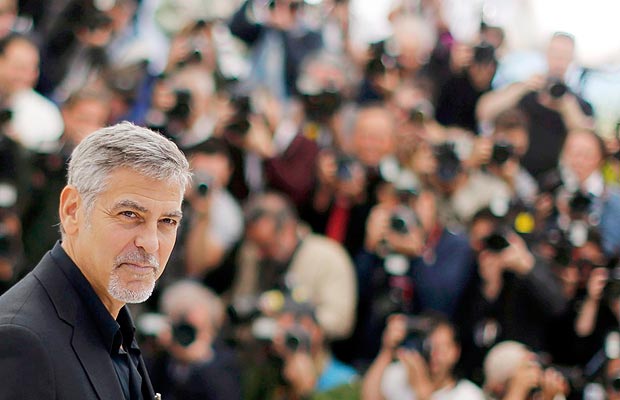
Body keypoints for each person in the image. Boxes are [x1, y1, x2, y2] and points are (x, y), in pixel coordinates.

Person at [0, 121, 191, 399]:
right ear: (72, 210)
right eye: (129, 214)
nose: (150, 242)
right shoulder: (21, 341)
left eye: (167, 221)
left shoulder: (115, 324)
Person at [362, 313, 485, 400]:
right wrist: (387, 350)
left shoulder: (468, 395)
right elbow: (368, 397)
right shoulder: (400, 374)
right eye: (429, 346)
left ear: (455, 352)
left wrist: (423, 392)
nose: (433, 354)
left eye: (441, 347)